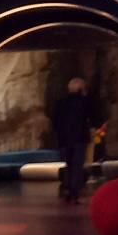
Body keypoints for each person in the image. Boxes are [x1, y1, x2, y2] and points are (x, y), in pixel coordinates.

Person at [51, 75, 96, 203]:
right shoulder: (85, 102)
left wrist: (61, 133)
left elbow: (55, 121)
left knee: (68, 164)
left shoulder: (60, 102)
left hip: (64, 139)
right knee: (77, 165)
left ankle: (67, 188)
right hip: (79, 138)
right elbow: (92, 117)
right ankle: (75, 192)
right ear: (81, 88)